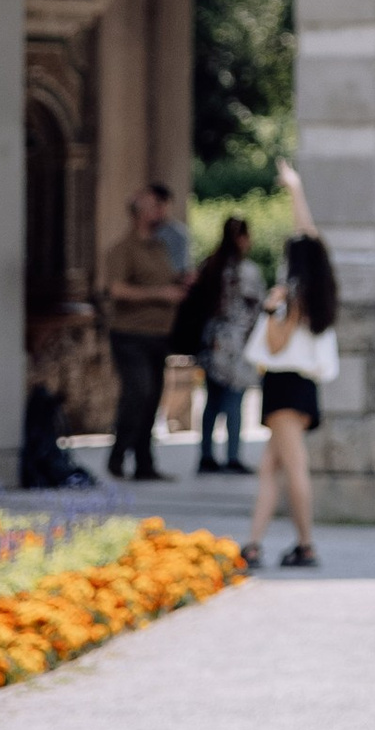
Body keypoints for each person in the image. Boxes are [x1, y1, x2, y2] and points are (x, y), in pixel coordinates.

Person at [240, 168, 336, 571]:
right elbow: (308, 231)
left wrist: (269, 310)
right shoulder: (320, 287)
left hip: (284, 385)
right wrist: (296, 187)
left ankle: (306, 544)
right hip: (300, 385)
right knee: (270, 468)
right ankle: (254, 544)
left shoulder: (294, 296)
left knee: (292, 468)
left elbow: (275, 346)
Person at [100, 185, 185, 481]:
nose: (161, 212)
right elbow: (116, 289)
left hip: (159, 335)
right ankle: (118, 455)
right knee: (138, 392)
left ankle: (144, 463)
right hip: (129, 334)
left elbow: (169, 278)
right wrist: (160, 294)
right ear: (139, 213)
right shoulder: (122, 250)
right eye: (154, 207)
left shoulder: (161, 248)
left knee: (152, 399)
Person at [177, 217, 263, 475]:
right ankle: (233, 455)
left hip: (210, 340)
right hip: (236, 343)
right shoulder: (245, 271)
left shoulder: (210, 266)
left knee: (212, 401)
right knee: (235, 400)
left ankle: (206, 454)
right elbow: (256, 308)